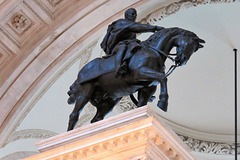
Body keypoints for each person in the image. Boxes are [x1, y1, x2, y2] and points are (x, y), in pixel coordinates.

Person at [101, 8, 162, 78]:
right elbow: (137, 27)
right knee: (123, 46)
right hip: (116, 46)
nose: (134, 16)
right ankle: (118, 67)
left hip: (128, 44)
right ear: (127, 15)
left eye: (135, 14)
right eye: (132, 14)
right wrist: (155, 28)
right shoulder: (122, 22)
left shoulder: (131, 28)